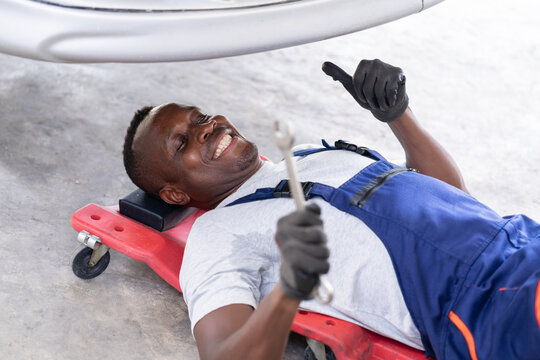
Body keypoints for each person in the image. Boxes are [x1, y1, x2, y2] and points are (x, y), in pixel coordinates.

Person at [122, 59, 540, 360]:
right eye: (183, 143)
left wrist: (398, 116)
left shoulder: (311, 153)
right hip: (482, 304)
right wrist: (288, 288)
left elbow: (455, 197)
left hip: (519, 238)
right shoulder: (217, 234)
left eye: (201, 118)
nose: (207, 128)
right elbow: (221, 354)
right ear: (175, 195)